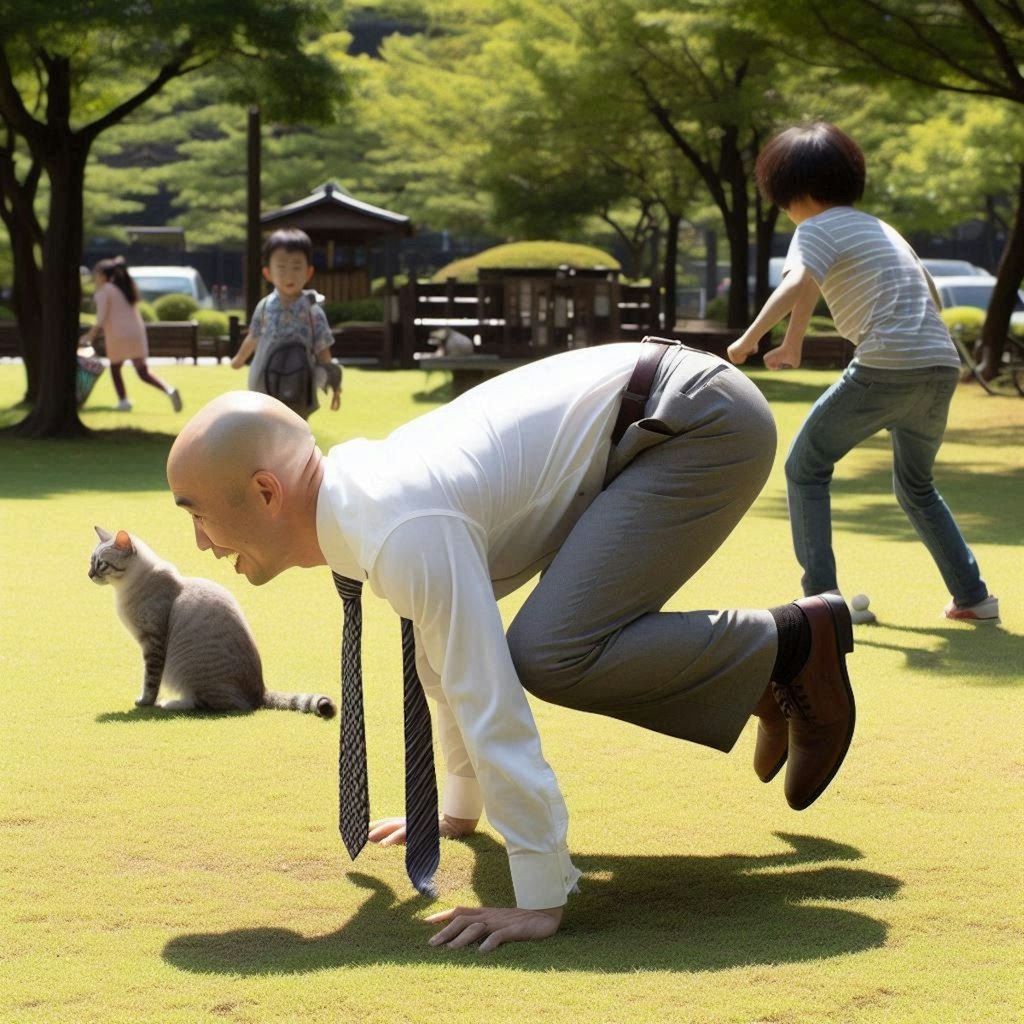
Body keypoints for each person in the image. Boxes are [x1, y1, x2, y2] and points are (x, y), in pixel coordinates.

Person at [166, 340, 857, 952]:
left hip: (696, 423)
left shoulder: (399, 524)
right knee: (532, 646)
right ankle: (765, 674)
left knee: (548, 651)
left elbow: (483, 690)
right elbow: (441, 659)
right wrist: (457, 807)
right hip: (653, 421)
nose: (199, 541)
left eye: (196, 512)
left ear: (265, 491)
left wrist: (538, 891)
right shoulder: (357, 501)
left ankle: (792, 645)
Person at [728, 122, 998, 625]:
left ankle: (823, 603)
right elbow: (920, 293)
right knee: (916, 485)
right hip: (938, 365)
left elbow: (793, 285)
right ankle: (973, 597)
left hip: (885, 365)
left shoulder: (814, 229)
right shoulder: (879, 228)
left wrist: (749, 338)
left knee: (805, 468)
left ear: (796, 192)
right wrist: (792, 342)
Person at [230, 229, 341, 419]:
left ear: (308, 272)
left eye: (297, 267)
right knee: (265, 433)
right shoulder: (264, 307)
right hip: (263, 384)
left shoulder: (313, 311)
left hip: (299, 386)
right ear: (268, 272)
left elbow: (323, 350)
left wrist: (334, 383)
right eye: (281, 267)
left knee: (294, 431)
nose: (289, 275)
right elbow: (254, 336)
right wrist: (239, 359)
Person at [80, 257, 182, 413]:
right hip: (136, 334)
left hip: (118, 335)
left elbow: (100, 319)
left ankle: (123, 401)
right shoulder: (124, 288)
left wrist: (88, 337)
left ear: (102, 275)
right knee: (142, 371)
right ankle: (169, 390)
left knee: (115, 367)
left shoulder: (104, 291)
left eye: (95, 273)